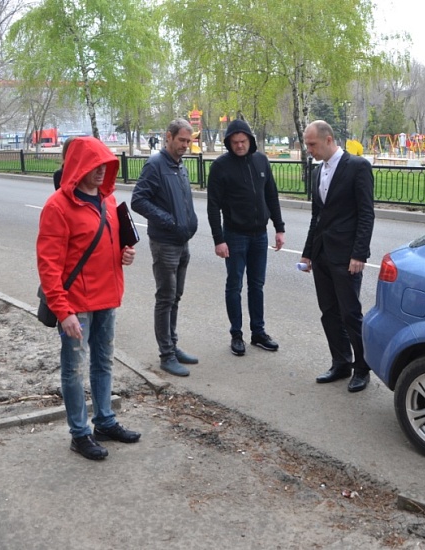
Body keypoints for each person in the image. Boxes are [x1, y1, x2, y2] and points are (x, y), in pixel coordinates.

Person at [37, 136, 140, 461]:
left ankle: (105, 421)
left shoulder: (109, 201)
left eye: (106, 165)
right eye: (96, 165)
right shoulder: (57, 207)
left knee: (103, 362)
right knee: (74, 370)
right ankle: (79, 433)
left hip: (107, 297)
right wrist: (63, 310)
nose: (102, 171)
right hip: (76, 306)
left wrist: (124, 254)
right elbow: (48, 265)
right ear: (79, 166)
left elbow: (113, 243)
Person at [299, 120, 375, 393]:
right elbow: (317, 216)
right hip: (322, 255)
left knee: (350, 313)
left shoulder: (358, 167)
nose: (309, 150)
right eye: (307, 145)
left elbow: (366, 214)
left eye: (312, 144)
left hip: (346, 257)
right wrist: (308, 253)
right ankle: (340, 362)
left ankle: (362, 368)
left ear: (328, 140)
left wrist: (359, 254)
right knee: (329, 312)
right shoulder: (319, 172)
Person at [207, 119, 285, 356]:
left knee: (257, 285)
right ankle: (236, 334)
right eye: (235, 142)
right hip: (234, 235)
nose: (239, 146)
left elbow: (271, 195)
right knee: (234, 285)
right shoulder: (220, 166)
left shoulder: (261, 160)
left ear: (250, 140)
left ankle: (258, 333)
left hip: (259, 235)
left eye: (243, 141)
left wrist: (279, 228)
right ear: (229, 143)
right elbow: (213, 206)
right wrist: (218, 239)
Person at [131, 118, 199, 377]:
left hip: (182, 242)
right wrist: (169, 221)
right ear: (168, 137)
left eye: (188, 141)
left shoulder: (179, 166)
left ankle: (173, 345)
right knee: (165, 298)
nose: (185, 145)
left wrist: (189, 222)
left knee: (176, 296)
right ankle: (166, 355)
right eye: (181, 140)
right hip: (165, 243)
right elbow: (139, 200)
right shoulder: (156, 165)